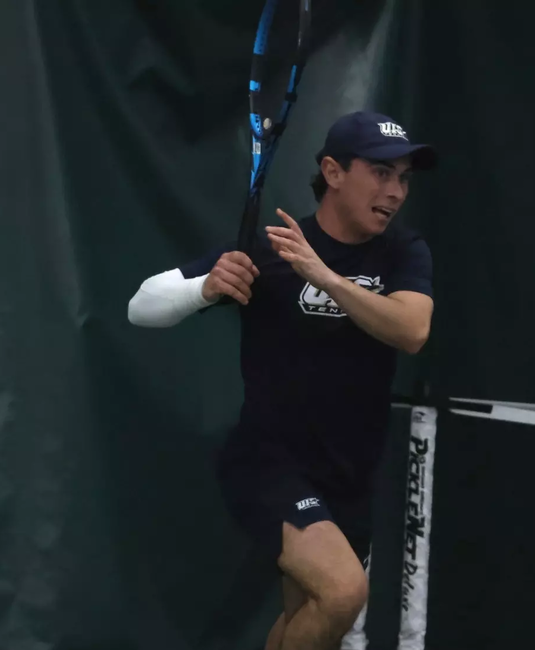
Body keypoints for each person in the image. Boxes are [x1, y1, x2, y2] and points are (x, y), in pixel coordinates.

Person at [127, 110, 437, 649]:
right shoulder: (272, 248)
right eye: (382, 173)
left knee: (310, 619)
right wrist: (203, 289)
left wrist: (324, 276)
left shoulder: (403, 252)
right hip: (271, 465)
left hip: (351, 473)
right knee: (343, 592)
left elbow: (411, 329)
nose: (395, 191)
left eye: (404, 178)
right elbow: (140, 306)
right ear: (334, 172)